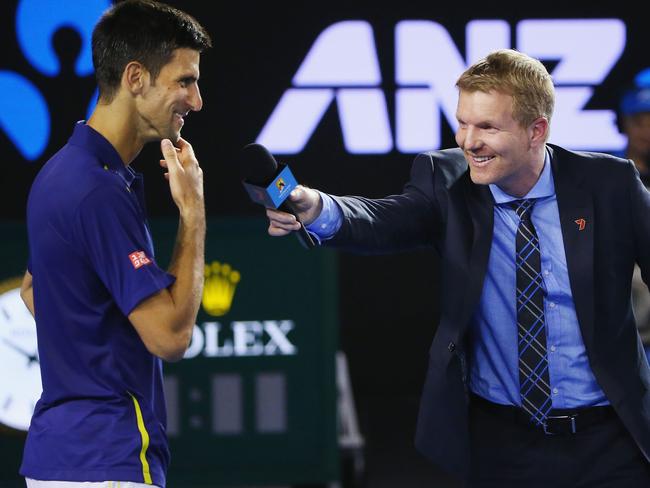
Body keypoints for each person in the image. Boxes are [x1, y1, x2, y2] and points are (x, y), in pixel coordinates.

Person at [266, 49, 650, 487]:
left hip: (611, 439)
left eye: (487, 126)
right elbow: (382, 220)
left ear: (535, 131)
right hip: (503, 444)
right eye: (463, 122)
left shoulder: (609, 183)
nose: (469, 141)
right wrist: (315, 206)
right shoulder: (446, 180)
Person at [18, 1, 211, 487]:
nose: (196, 100)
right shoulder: (98, 192)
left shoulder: (60, 174)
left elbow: (33, 291)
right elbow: (170, 337)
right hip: (108, 463)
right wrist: (193, 214)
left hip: (57, 461)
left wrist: (97, 346)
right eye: (184, 81)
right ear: (135, 77)